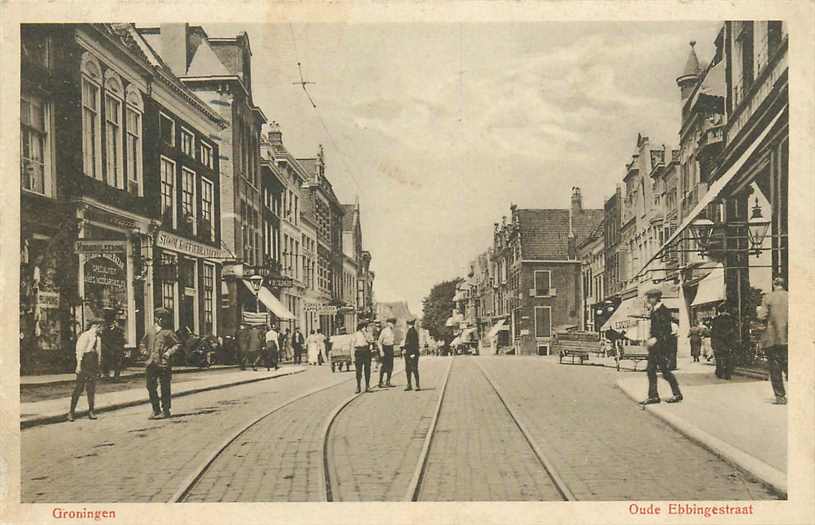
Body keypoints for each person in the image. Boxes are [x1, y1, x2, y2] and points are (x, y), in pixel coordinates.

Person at [640, 288, 682, 405]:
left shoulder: (663, 311)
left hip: (661, 347)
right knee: (653, 371)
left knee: (664, 371)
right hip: (656, 347)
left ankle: (674, 394)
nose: (648, 300)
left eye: (649, 298)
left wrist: (656, 339)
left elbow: (666, 330)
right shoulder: (655, 311)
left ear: (655, 298)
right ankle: (655, 396)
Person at [141, 308, 180, 419]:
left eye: (165, 318)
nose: (163, 320)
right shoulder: (150, 331)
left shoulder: (168, 332)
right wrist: (144, 351)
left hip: (164, 363)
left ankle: (166, 410)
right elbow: (142, 343)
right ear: (156, 318)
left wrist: (169, 353)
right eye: (160, 318)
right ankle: (156, 410)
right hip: (151, 363)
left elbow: (177, 344)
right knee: (150, 386)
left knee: (165, 387)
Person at [759, 277, 789, 404]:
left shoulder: (768, 297)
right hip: (788, 337)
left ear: (774, 284)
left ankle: (780, 397)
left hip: (772, 338)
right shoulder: (791, 296)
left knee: (775, 368)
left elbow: (761, 315)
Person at [68, 319, 103, 421]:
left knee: (91, 389)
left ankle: (91, 411)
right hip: (84, 363)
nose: (102, 329)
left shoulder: (98, 339)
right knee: (79, 388)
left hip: (93, 365)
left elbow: (99, 354)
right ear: (95, 326)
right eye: (101, 327)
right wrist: (78, 365)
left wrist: (99, 367)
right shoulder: (85, 336)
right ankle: (71, 412)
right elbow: (80, 351)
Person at [711, 302, 737, 380]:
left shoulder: (716, 319)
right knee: (728, 358)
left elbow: (713, 332)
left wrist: (713, 343)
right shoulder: (731, 319)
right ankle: (727, 374)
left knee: (719, 358)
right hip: (728, 342)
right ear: (726, 310)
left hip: (719, 342)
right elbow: (734, 331)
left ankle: (719, 372)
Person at [100, 307, 126, 380]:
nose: (110, 324)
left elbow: (121, 341)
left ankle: (116, 375)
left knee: (118, 359)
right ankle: (106, 375)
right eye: (108, 323)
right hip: (107, 349)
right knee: (105, 359)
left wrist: (117, 348)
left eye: (111, 323)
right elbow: (103, 341)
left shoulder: (119, 331)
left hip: (116, 349)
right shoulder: (104, 331)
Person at [352, 321, 373, 393]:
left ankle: (367, 385)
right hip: (358, 351)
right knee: (358, 371)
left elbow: (371, 341)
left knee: (367, 369)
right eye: (365, 327)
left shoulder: (368, 334)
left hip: (366, 351)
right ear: (361, 327)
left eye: (366, 327)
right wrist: (352, 357)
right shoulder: (356, 334)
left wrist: (367, 335)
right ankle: (358, 386)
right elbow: (352, 345)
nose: (366, 328)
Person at [377, 318, 396, 388]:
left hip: (390, 348)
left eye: (394, 323)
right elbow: (379, 342)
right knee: (384, 366)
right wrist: (381, 351)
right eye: (392, 323)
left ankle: (388, 381)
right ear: (388, 323)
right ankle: (380, 382)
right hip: (385, 348)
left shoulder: (392, 331)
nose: (393, 325)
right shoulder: (384, 331)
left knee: (390, 366)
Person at [403, 319, 421, 391]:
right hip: (409, 353)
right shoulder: (412, 331)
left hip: (412, 353)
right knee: (409, 369)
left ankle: (416, 385)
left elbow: (413, 344)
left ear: (409, 324)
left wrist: (412, 353)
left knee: (413, 369)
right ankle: (410, 385)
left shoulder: (412, 332)